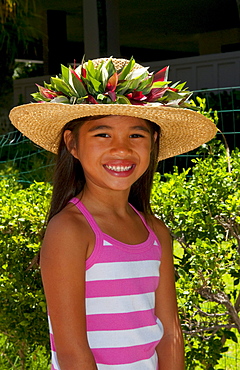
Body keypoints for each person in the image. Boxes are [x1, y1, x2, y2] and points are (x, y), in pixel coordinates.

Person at [9, 57, 217, 370]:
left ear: (153, 142)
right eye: (102, 134)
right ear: (73, 144)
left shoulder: (155, 232)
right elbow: (72, 351)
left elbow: (170, 333)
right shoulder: (70, 231)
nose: (121, 149)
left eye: (136, 135)